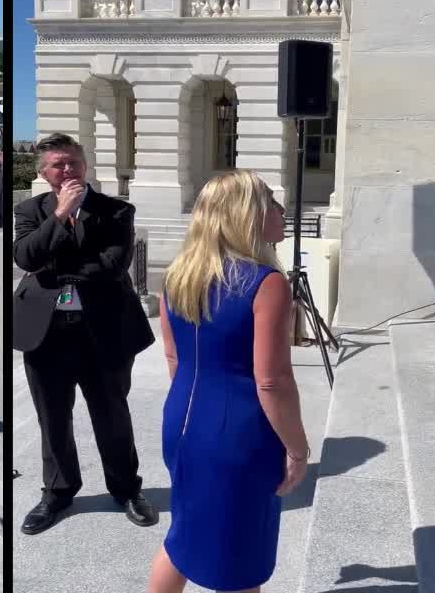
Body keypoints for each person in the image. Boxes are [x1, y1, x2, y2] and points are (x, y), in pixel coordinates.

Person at [146, 169, 308, 593]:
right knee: (240, 560)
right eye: (271, 201)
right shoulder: (266, 283)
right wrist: (297, 448)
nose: (280, 210)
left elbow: (173, 358)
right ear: (247, 215)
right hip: (239, 432)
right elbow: (272, 380)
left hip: (182, 419)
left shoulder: (179, 274)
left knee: (183, 536)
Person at [13, 133, 158, 535]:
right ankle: (58, 493)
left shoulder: (116, 210)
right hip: (46, 334)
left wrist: (55, 272)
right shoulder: (30, 210)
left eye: (74, 162)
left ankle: (127, 489)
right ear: (45, 173)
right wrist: (60, 215)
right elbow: (25, 256)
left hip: (103, 329)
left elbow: (113, 265)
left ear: (86, 166)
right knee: (52, 418)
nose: (68, 170)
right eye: (58, 165)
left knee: (112, 414)